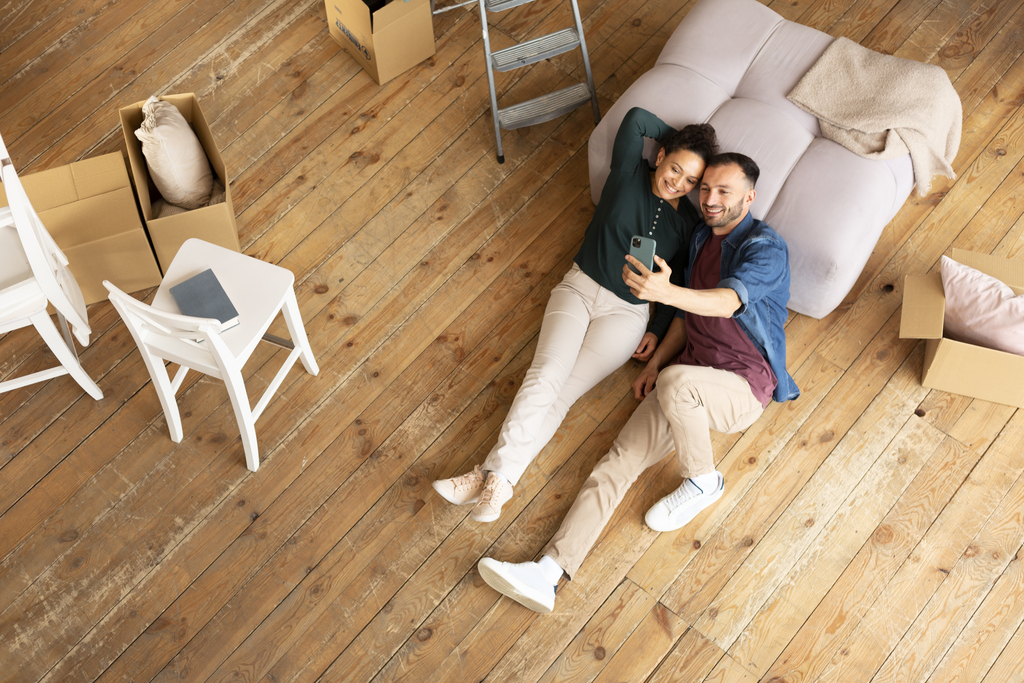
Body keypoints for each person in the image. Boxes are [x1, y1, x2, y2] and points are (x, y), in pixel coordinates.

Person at [476, 152, 800, 613]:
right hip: (685, 377)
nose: (709, 199)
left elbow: (727, 302)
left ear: (749, 196)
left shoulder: (764, 246)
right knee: (617, 462)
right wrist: (656, 363)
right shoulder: (701, 238)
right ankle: (547, 573)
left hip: (743, 387)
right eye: (704, 188)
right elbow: (691, 316)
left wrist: (663, 294)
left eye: (723, 191)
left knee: (677, 384)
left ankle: (703, 481)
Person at [431, 108, 719, 523]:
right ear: (660, 157)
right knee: (545, 374)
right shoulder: (628, 172)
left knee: (561, 397)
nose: (679, 183)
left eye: (691, 181)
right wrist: (682, 141)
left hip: (627, 314)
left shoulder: (687, 225)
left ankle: (490, 481)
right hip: (579, 287)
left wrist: (656, 329)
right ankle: (497, 481)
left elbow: (678, 287)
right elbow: (637, 119)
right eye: (676, 168)